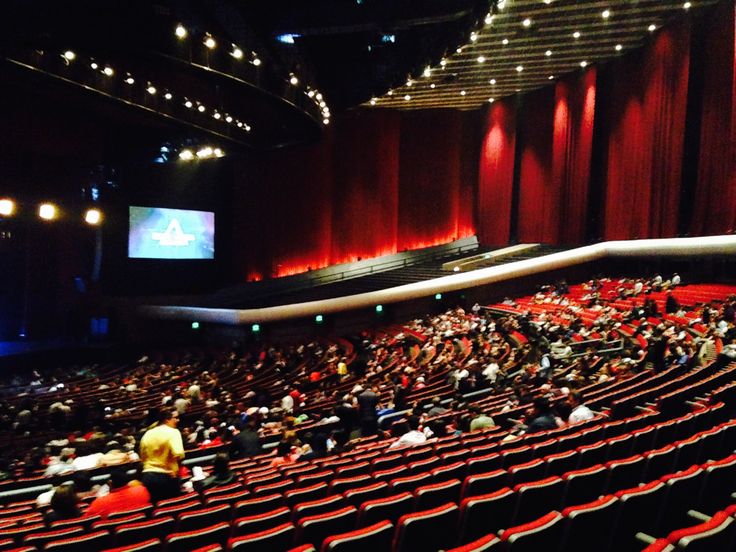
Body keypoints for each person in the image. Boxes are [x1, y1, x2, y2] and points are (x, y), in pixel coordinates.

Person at [139, 409, 185, 503]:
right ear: (167, 420)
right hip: (166, 475)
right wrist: (176, 471)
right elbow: (179, 454)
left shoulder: (147, 433)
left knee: (158, 512)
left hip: (148, 477)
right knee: (173, 508)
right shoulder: (173, 432)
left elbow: (142, 457)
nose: (178, 420)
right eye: (175, 418)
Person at [85, 468, 151, 519]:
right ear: (128, 481)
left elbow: (87, 520)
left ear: (110, 483)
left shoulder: (99, 503)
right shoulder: (142, 490)